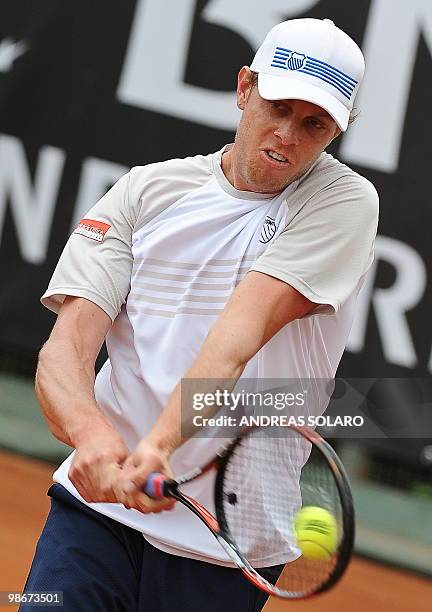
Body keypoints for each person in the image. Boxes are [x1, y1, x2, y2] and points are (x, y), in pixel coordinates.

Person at [22, 17, 378, 612]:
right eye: (278, 105)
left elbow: (238, 335)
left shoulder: (342, 202)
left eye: (313, 123)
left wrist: (157, 446)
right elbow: (68, 349)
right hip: (96, 519)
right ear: (244, 87)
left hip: (227, 543)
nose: (287, 133)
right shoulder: (142, 193)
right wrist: (92, 440)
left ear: (338, 132)